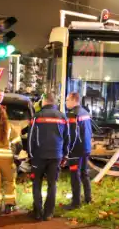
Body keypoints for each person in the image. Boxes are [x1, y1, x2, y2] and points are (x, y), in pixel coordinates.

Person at [27, 93, 70, 221]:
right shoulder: (63, 117)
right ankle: (49, 213)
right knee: (52, 184)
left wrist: (30, 154)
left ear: (44, 102)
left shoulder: (37, 117)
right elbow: (67, 138)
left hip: (39, 155)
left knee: (37, 182)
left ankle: (38, 212)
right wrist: (65, 154)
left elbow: (31, 138)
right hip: (56, 155)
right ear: (54, 102)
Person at [63, 92, 92, 210]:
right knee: (85, 173)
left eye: (67, 100)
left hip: (76, 150)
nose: (66, 103)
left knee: (75, 175)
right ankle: (88, 198)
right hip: (86, 148)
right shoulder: (85, 112)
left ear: (74, 100)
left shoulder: (72, 114)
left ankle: (75, 203)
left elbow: (72, 135)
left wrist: (68, 150)